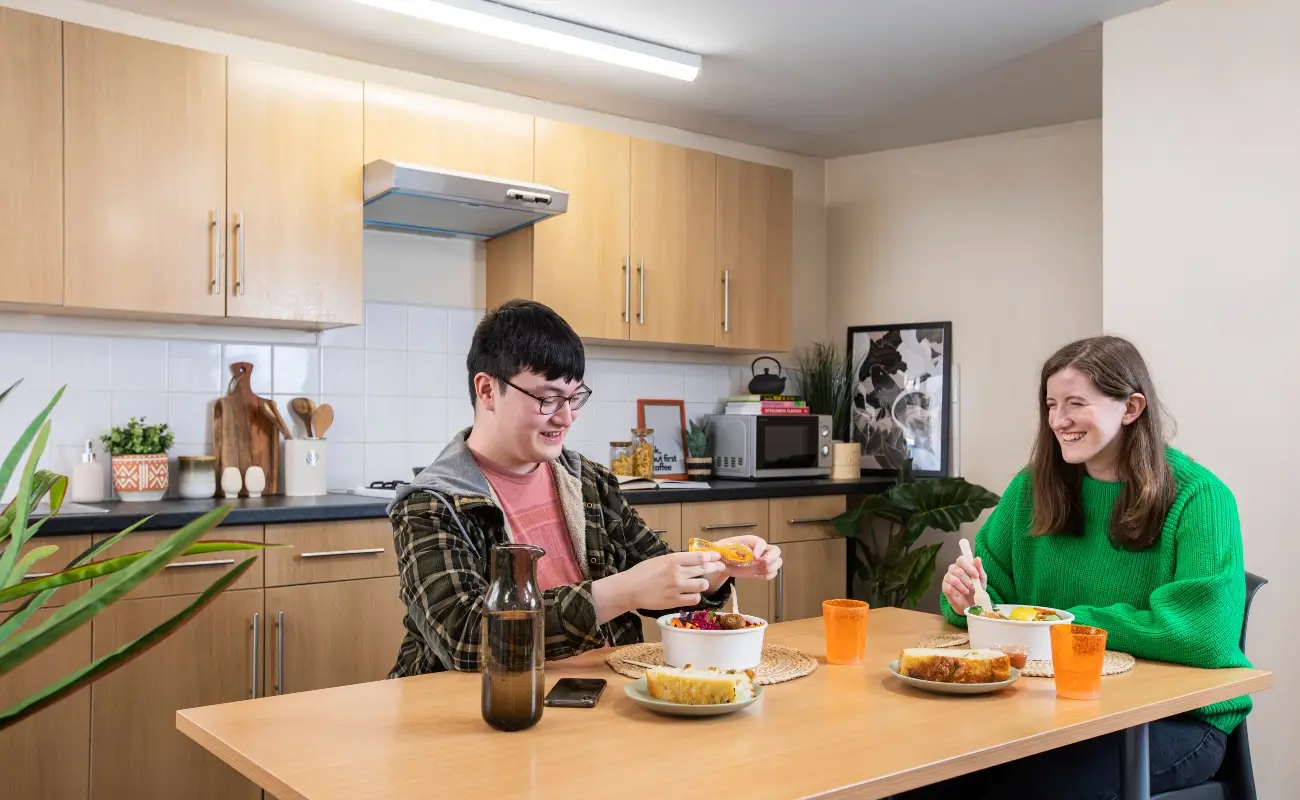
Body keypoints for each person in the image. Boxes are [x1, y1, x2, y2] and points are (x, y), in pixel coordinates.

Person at [909, 335, 1251, 799]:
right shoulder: (1031, 489)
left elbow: (1202, 634)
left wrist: (1060, 623)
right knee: (921, 772)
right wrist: (968, 600)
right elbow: (997, 606)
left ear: (1130, 408)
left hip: (1173, 720)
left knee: (1027, 789)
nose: (1058, 420)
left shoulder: (1199, 498)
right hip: (1055, 710)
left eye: (1075, 403)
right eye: (1051, 405)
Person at [385, 298, 782, 675]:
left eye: (574, 399)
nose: (566, 418)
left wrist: (716, 566)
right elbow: (466, 639)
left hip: (605, 692)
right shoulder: (433, 503)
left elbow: (658, 584)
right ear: (488, 390)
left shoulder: (588, 481)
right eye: (548, 399)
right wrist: (620, 592)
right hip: (482, 709)